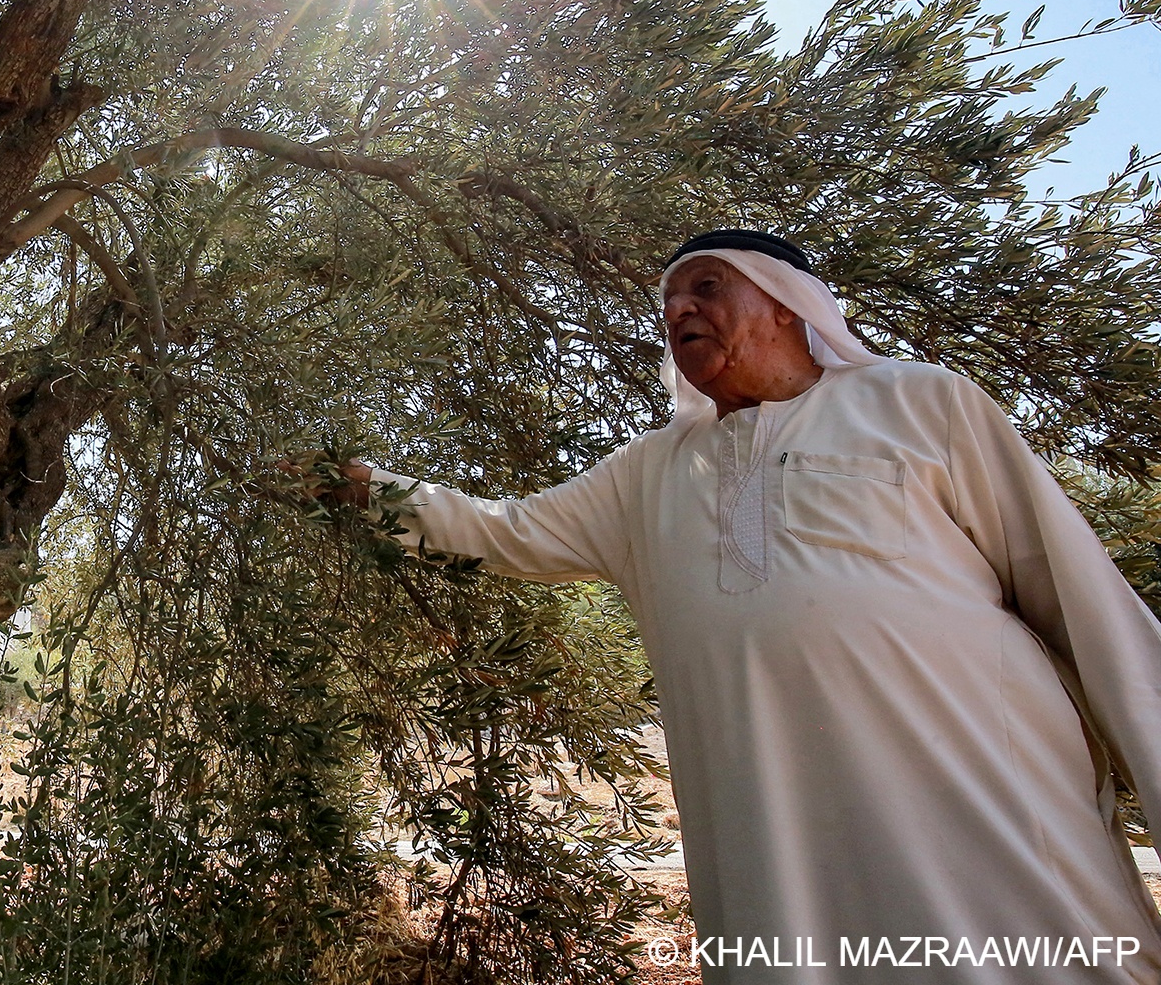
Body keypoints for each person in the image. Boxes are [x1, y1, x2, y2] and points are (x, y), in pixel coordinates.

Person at [345, 229, 1161, 983]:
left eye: (705, 287)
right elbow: (505, 532)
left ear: (786, 304)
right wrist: (360, 489)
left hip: (982, 790)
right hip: (772, 814)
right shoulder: (648, 473)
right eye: (667, 302)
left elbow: (1079, 601)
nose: (679, 311)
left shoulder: (919, 403)